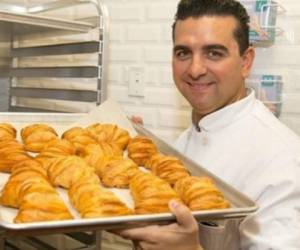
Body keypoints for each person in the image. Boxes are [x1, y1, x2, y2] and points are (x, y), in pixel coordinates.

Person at [115, 0, 300, 249]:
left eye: (214, 53)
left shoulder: (284, 160)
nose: (195, 69)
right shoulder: (184, 141)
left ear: (246, 62)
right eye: (183, 53)